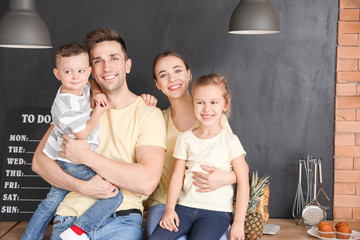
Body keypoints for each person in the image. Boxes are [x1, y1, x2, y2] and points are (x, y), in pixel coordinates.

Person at [31, 28, 166, 240]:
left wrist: (85, 157)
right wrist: (82, 187)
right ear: (91, 70)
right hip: (69, 218)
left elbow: (147, 181)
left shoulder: (148, 114)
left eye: (114, 58)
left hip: (121, 218)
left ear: (127, 65)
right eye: (98, 61)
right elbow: (39, 162)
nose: (107, 67)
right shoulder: (74, 105)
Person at [23, 42, 123, 240]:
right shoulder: (66, 104)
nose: (76, 76)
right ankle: (77, 231)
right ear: (57, 74)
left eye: (80, 71)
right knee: (114, 195)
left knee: (49, 203)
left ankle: (29, 237)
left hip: (65, 158)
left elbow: (91, 83)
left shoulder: (82, 84)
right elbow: (83, 134)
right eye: (68, 71)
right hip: (73, 162)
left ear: (88, 72)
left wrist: (96, 92)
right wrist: (97, 112)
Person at [145, 50, 240, 240]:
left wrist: (226, 178)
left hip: (209, 206)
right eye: (163, 75)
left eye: (178, 71)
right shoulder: (155, 118)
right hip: (166, 204)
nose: (172, 79)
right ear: (157, 84)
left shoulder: (212, 116)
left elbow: (238, 170)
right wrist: (140, 105)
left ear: (189, 74)